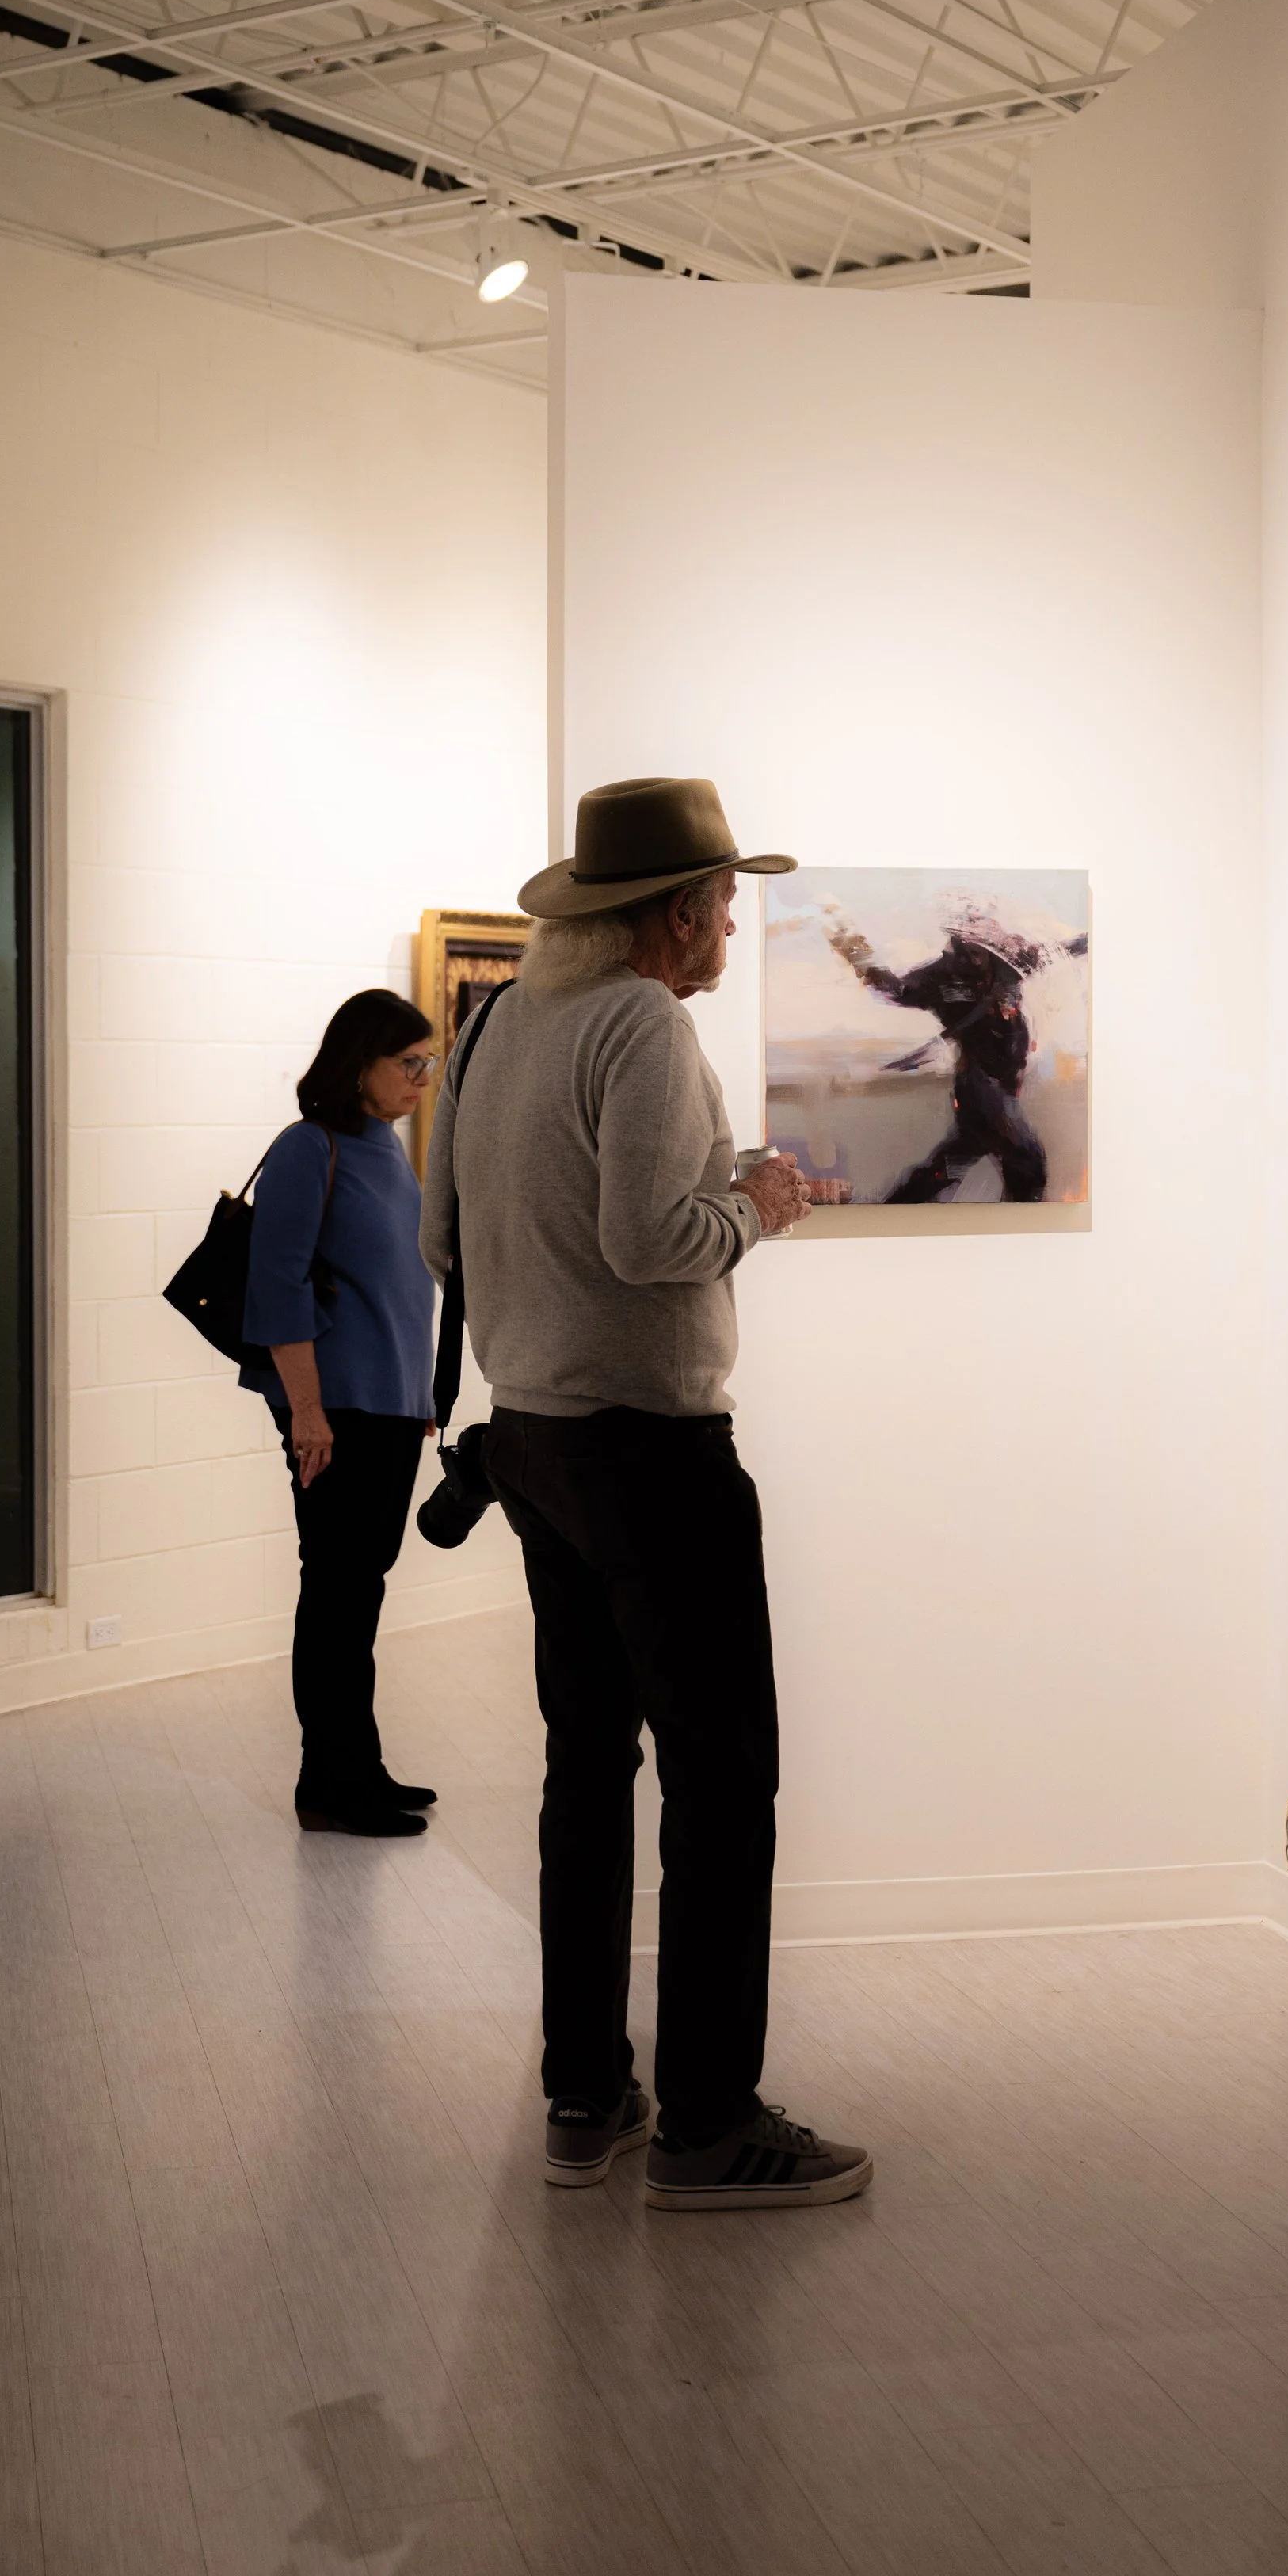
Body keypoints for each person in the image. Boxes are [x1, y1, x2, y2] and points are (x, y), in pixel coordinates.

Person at [421, 776, 873, 2209]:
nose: (733, 924)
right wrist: (760, 1206)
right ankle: (711, 2124)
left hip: (536, 1445)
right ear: (676, 917)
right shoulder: (645, 1023)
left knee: (586, 1769)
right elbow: (646, 1238)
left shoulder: (502, 1022)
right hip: (652, 1454)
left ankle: (585, 2091)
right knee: (725, 1783)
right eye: (726, 902)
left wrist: (696, 1191)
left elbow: (450, 1241)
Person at [244, 989, 442, 1840]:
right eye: (410, 1063)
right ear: (358, 1059)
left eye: (427, 1065)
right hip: (336, 1412)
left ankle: (354, 1766)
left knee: (359, 1593)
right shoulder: (306, 1149)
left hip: (391, 1407)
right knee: (335, 1595)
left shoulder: (387, 1152)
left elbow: (398, 1286)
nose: (422, 1080)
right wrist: (307, 1413)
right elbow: (275, 1287)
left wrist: (419, 1396)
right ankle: (328, 1785)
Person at [823, 899, 1084, 1203]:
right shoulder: (942, 974)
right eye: (967, 932)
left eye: (981, 927)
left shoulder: (1009, 961)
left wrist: (1097, 939)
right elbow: (898, 990)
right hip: (979, 1085)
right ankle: (1022, 1226)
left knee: (952, 1163)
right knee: (1028, 1163)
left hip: (1007, 1082)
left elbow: (1062, 951)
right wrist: (855, 951)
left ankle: (900, 1204)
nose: (976, 941)